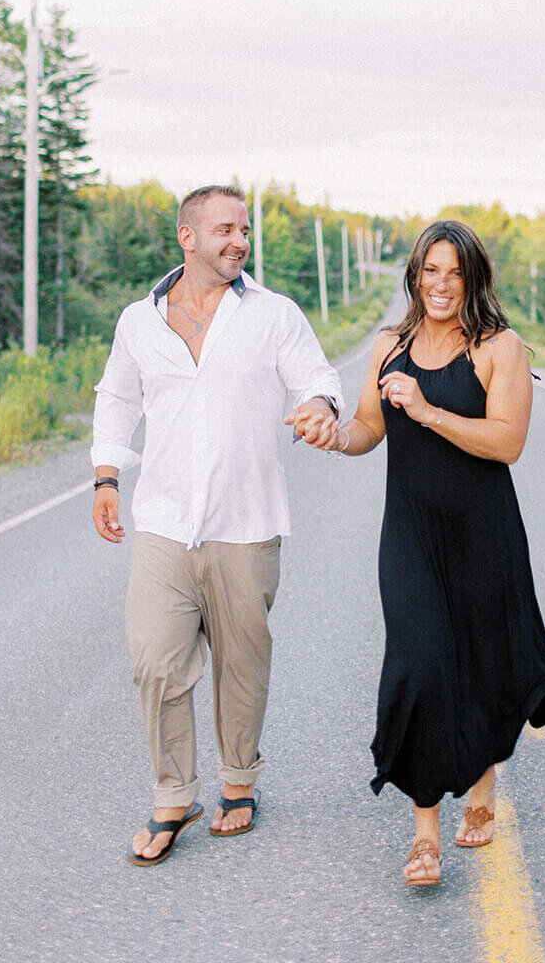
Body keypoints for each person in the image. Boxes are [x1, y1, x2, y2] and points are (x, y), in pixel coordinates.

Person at [297, 219, 545, 887]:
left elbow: (506, 443)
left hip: (483, 533)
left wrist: (427, 411)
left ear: (472, 278)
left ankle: (481, 782)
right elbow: (366, 429)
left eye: (454, 272)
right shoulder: (390, 345)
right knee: (418, 668)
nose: (440, 285)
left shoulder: (498, 348)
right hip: (410, 534)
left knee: (477, 664)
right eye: (429, 271)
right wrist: (333, 434)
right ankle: (424, 835)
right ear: (414, 276)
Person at [91, 184, 343, 865]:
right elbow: (115, 399)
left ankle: (239, 782)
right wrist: (107, 475)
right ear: (188, 236)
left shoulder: (273, 315)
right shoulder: (138, 321)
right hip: (165, 522)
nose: (239, 242)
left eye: (245, 231)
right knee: (154, 661)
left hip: (246, 520)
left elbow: (315, 378)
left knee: (242, 664)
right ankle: (174, 795)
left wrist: (319, 405)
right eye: (226, 230)